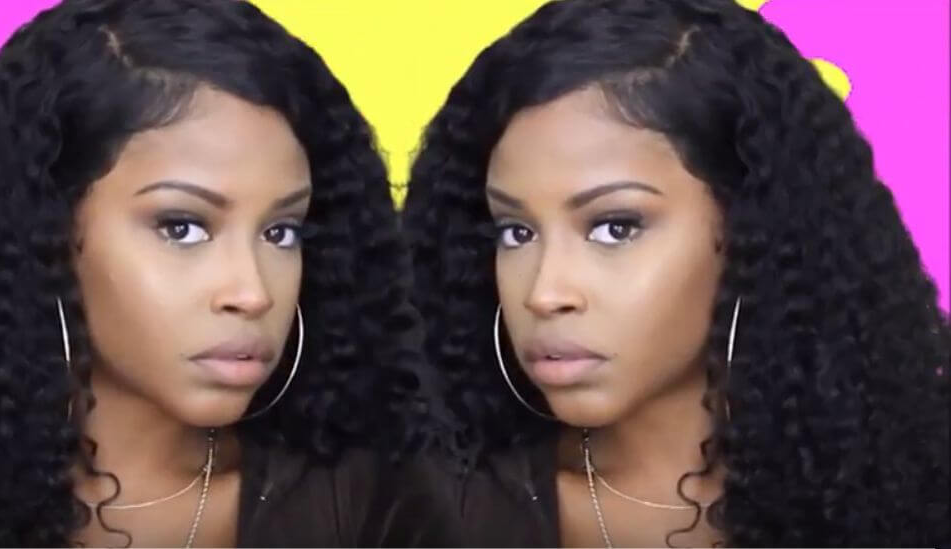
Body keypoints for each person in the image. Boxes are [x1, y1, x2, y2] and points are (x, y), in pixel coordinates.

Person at [0, 0, 455, 546]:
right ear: (47, 233)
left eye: (282, 232)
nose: (253, 292)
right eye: (183, 227)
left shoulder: (371, 510)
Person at [401, 0, 950, 546]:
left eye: (614, 227)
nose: (545, 293)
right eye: (515, 232)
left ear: (750, 230)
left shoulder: (910, 493)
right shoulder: (432, 516)